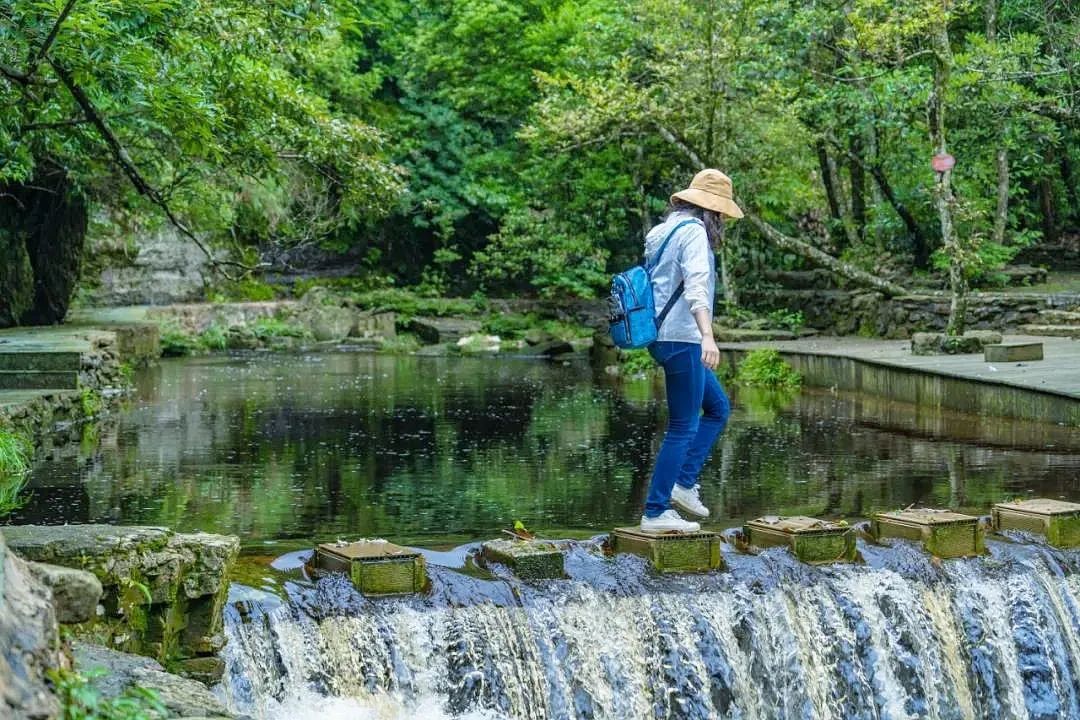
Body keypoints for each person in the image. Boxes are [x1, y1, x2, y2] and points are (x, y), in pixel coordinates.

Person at [639, 169, 742, 533]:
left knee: (717, 407)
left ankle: (683, 484)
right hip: (683, 338)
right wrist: (707, 336)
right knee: (683, 424)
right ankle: (654, 511)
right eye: (723, 216)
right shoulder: (695, 233)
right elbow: (697, 286)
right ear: (711, 211)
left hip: (660, 336)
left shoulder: (661, 230)